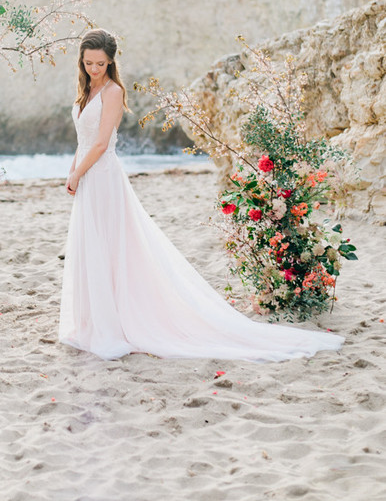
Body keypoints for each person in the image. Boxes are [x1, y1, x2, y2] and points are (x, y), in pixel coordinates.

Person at [58, 29, 345, 362]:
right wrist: (73, 170)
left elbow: (100, 143)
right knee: (91, 244)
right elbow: (83, 139)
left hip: (103, 177)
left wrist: (78, 173)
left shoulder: (113, 91)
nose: (94, 69)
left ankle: (115, 322)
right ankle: (94, 320)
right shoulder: (87, 90)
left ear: (111, 62)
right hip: (87, 174)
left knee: (109, 246)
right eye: (88, 63)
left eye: (100, 63)